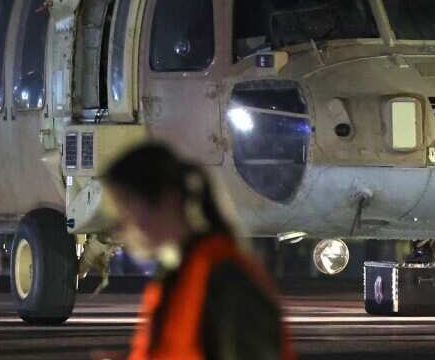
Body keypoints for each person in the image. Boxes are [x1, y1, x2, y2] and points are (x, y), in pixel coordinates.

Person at [102, 142, 294, 359]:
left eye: (125, 209)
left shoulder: (224, 278)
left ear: (167, 199)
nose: (118, 226)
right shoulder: (177, 275)